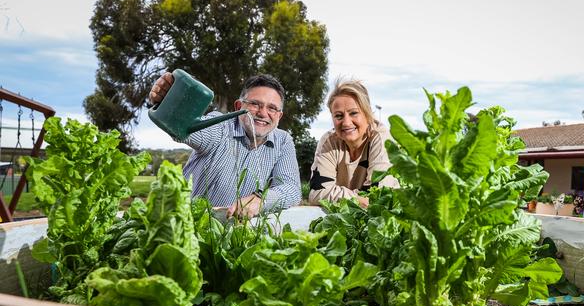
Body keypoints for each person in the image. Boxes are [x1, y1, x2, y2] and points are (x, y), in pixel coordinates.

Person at [149, 72, 301, 218]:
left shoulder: (283, 141)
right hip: (185, 227)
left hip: (237, 235)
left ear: (279, 116)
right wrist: (169, 100)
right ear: (238, 106)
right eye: (255, 104)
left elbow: (292, 189)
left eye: (272, 108)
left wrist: (261, 200)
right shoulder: (220, 125)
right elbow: (185, 127)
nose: (263, 113)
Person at [308, 78, 399, 208]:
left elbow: (380, 195)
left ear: (367, 114)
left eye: (354, 113)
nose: (346, 122)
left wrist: (338, 196)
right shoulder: (329, 142)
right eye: (339, 116)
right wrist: (357, 199)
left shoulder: (381, 137)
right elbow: (317, 193)